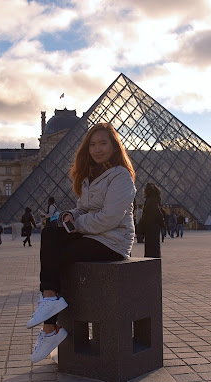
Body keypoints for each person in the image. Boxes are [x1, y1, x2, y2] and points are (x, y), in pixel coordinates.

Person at [26, 123, 136, 363]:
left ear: (114, 146)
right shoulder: (90, 177)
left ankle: (50, 326)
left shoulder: (121, 176)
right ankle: (49, 307)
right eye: (92, 144)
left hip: (113, 243)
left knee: (57, 253)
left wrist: (77, 225)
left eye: (103, 143)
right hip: (93, 237)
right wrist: (69, 215)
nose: (97, 149)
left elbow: (109, 218)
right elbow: (83, 208)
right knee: (50, 233)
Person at [138, 183, 164, 258]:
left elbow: (154, 212)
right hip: (154, 226)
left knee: (151, 247)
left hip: (150, 226)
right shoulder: (155, 198)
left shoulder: (150, 199)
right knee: (154, 246)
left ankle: (152, 263)